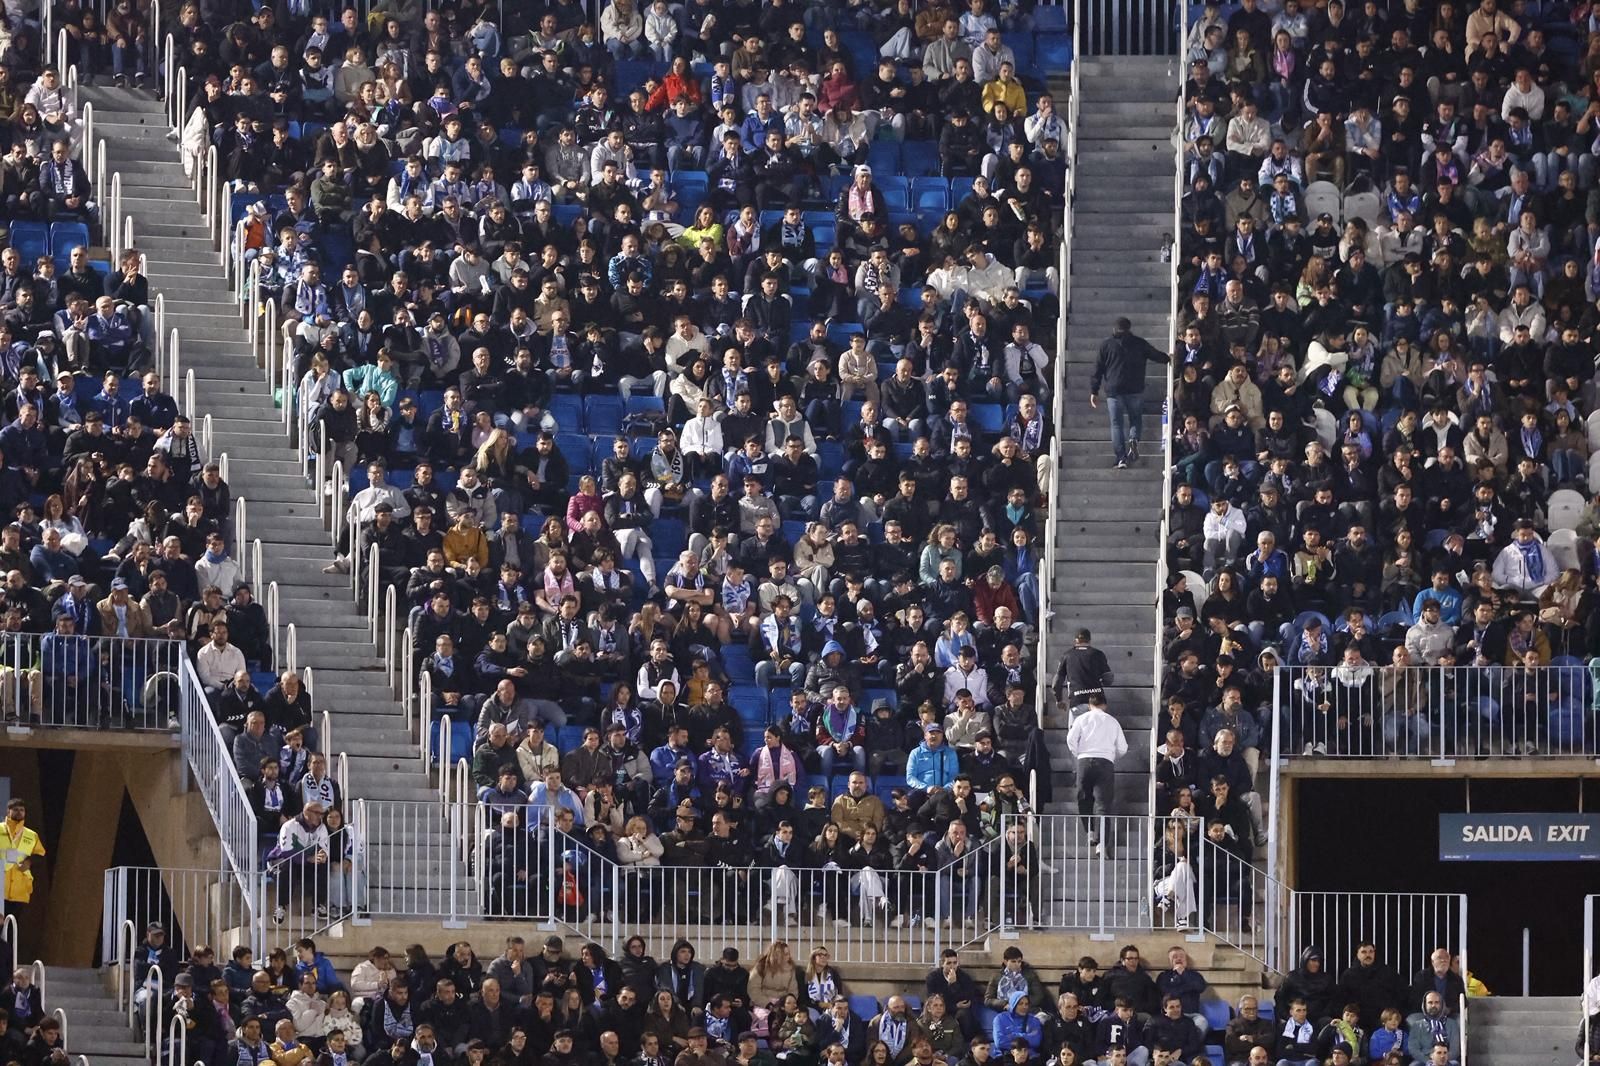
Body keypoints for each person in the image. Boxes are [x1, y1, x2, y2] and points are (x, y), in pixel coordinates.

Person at [1088, 317, 1168, 469]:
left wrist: (1094, 390)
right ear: (1129, 328)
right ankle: (1134, 439)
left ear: (1114, 329)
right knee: (1135, 419)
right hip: (1135, 389)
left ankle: (1121, 458)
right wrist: (1168, 358)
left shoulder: (1106, 345)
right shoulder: (1139, 343)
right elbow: (1156, 355)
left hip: (1114, 391)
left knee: (1116, 424)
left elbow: (1097, 369)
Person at [1064, 693, 1126, 854]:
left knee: (1083, 797)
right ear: (1105, 705)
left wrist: (1078, 753)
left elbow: (1070, 739)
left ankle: (1090, 831)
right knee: (1103, 804)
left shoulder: (1081, 719)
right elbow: (1123, 748)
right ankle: (1101, 844)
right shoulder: (1112, 721)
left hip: (1084, 761)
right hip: (1105, 762)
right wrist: (1112, 756)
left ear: (1089, 705)